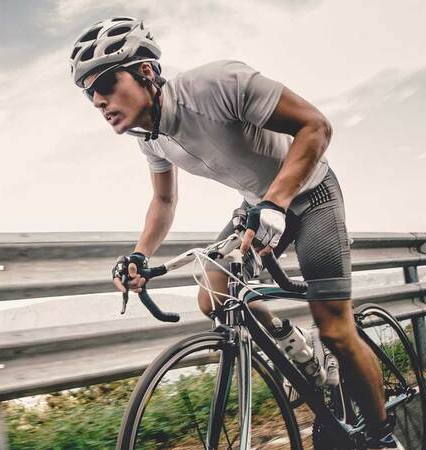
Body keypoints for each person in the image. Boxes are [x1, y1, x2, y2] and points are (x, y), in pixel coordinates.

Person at [70, 17, 397, 449]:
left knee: (336, 329)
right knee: (214, 297)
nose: (98, 100)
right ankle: (300, 353)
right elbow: (164, 202)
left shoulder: (217, 85)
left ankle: (382, 438)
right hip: (256, 205)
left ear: (146, 71)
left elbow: (315, 127)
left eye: (107, 83)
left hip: (311, 194)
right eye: (90, 93)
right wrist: (140, 254)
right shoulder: (149, 137)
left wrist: (277, 202)